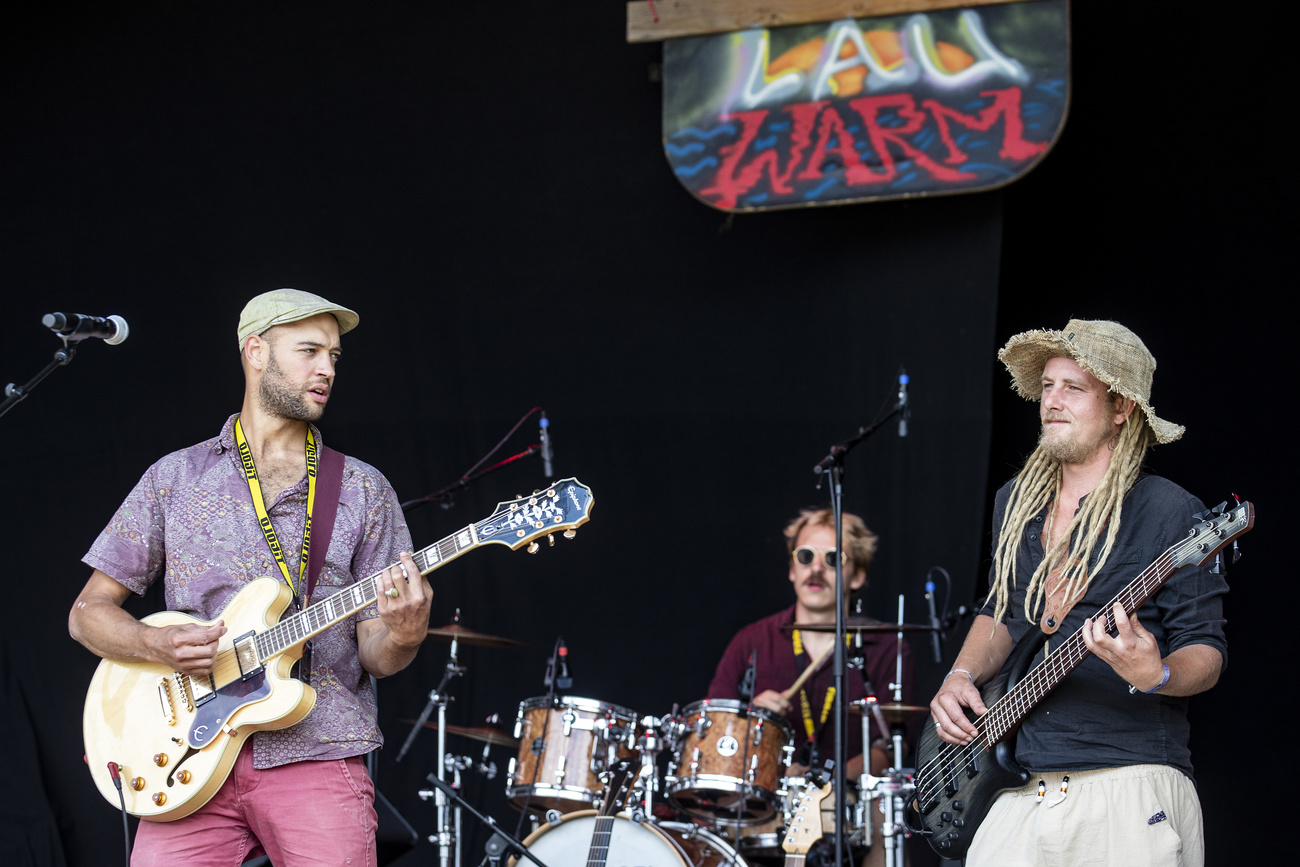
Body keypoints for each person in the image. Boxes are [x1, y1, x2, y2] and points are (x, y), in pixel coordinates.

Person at [69, 288, 432, 867]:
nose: (327, 369)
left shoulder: (363, 489)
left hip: (317, 753)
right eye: (309, 351)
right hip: (184, 760)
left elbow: (376, 653)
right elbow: (87, 614)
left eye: (334, 356)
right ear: (256, 352)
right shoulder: (175, 478)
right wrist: (154, 643)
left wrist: (405, 634)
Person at [929, 319, 1228, 865]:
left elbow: (1205, 650)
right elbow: (1002, 611)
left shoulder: (1169, 510)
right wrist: (960, 675)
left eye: (1074, 387)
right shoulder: (1015, 501)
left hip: (1126, 780)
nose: (1052, 400)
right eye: (1047, 385)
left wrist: (1157, 674)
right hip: (1018, 786)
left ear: (1121, 408)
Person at [706, 508, 914, 866]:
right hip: (764, 802)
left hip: (849, 803)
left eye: (833, 559)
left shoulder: (888, 648)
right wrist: (751, 721)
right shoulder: (751, 642)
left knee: (886, 811)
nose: (816, 568)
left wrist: (830, 782)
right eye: (805, 556)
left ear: (857, 575)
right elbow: (713, 737)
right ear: (792, 569)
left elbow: (893, 745)